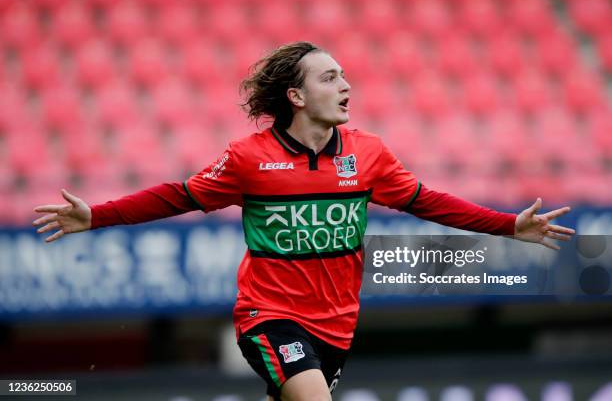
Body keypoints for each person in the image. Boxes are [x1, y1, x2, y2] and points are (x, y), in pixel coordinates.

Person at [32, 42, 575, 401]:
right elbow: (179, 196)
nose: (346, 86)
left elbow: (427, 201)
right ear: (296, 95)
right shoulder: (249, 157)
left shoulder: (368, 154)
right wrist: (96, 216)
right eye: (330, 77)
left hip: (338, 321)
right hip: (269, 316)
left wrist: (509, 226)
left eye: (345, 76)